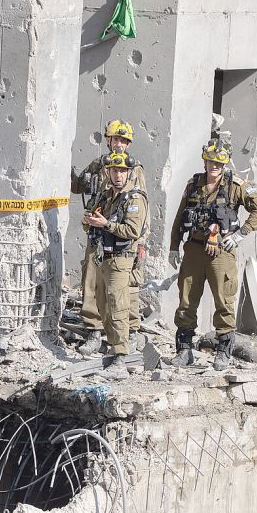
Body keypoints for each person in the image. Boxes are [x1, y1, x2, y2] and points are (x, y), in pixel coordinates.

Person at [167, 139, 257, 370]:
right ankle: (184, 350)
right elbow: (179, 217)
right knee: (186, 300)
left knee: (224, 300)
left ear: (224, 163)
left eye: (219, 162)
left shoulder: (236, 185)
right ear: (205, 160)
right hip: (194, 248)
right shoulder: (193, 184)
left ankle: (223, 351)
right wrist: (174, 246)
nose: (214, 166)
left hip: (222, 251)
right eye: (211, 160)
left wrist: (241, 234)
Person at [71, 119, 148, 355]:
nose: (120, 145)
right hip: (98, 234)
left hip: (122, 237)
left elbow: (142, 203)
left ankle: (129, 334)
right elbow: (77, 187)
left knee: (124, 287)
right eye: (116, 140)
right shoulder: (100, 164)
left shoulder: (133, 168)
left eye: (124, 141)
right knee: (92, 282)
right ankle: (95, 330)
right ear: (108, 140)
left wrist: (141, 241)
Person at [82, 150, 149, 372]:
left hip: (121, 259)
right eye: (114, 171)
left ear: (129, 173)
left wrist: (105, 225)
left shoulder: (134, 198)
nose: (118, 175)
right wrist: (89, 221)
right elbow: (90, 221)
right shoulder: (105, 196)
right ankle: (114, 348)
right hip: (104, 257)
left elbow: (132, 230)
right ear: (108, 173)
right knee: (103, 305)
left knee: (118, 307)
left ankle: (121, 357)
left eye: (122, 171)